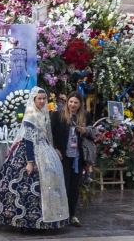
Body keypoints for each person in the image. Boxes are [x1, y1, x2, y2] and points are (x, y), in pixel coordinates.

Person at [0, 88, 69, 229]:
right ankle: (25, 220)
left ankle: (49, 219)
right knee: (26, 185)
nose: (42, 101)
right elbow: (29, 141)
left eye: (44, 98)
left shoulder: (43, 114)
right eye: (39, 98)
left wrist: (54, 149)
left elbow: (47, 136)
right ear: (33, 99)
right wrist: (30, 162)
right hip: (31, 152)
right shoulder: (30, 116)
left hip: (45, 149)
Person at [51, 93, 92, 226]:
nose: (72, 105)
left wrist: (84, 131)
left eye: (76, 103)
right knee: (64, 185)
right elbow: (50, 135)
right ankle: (61, 215)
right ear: (67, 102)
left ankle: (72, 215)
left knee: (74, 187)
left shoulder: (85, 116)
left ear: (80, 104)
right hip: (63, 157)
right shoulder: (58, 116)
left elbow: (92, 135)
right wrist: (55, 148)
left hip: (78, 158)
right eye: (71, 102)